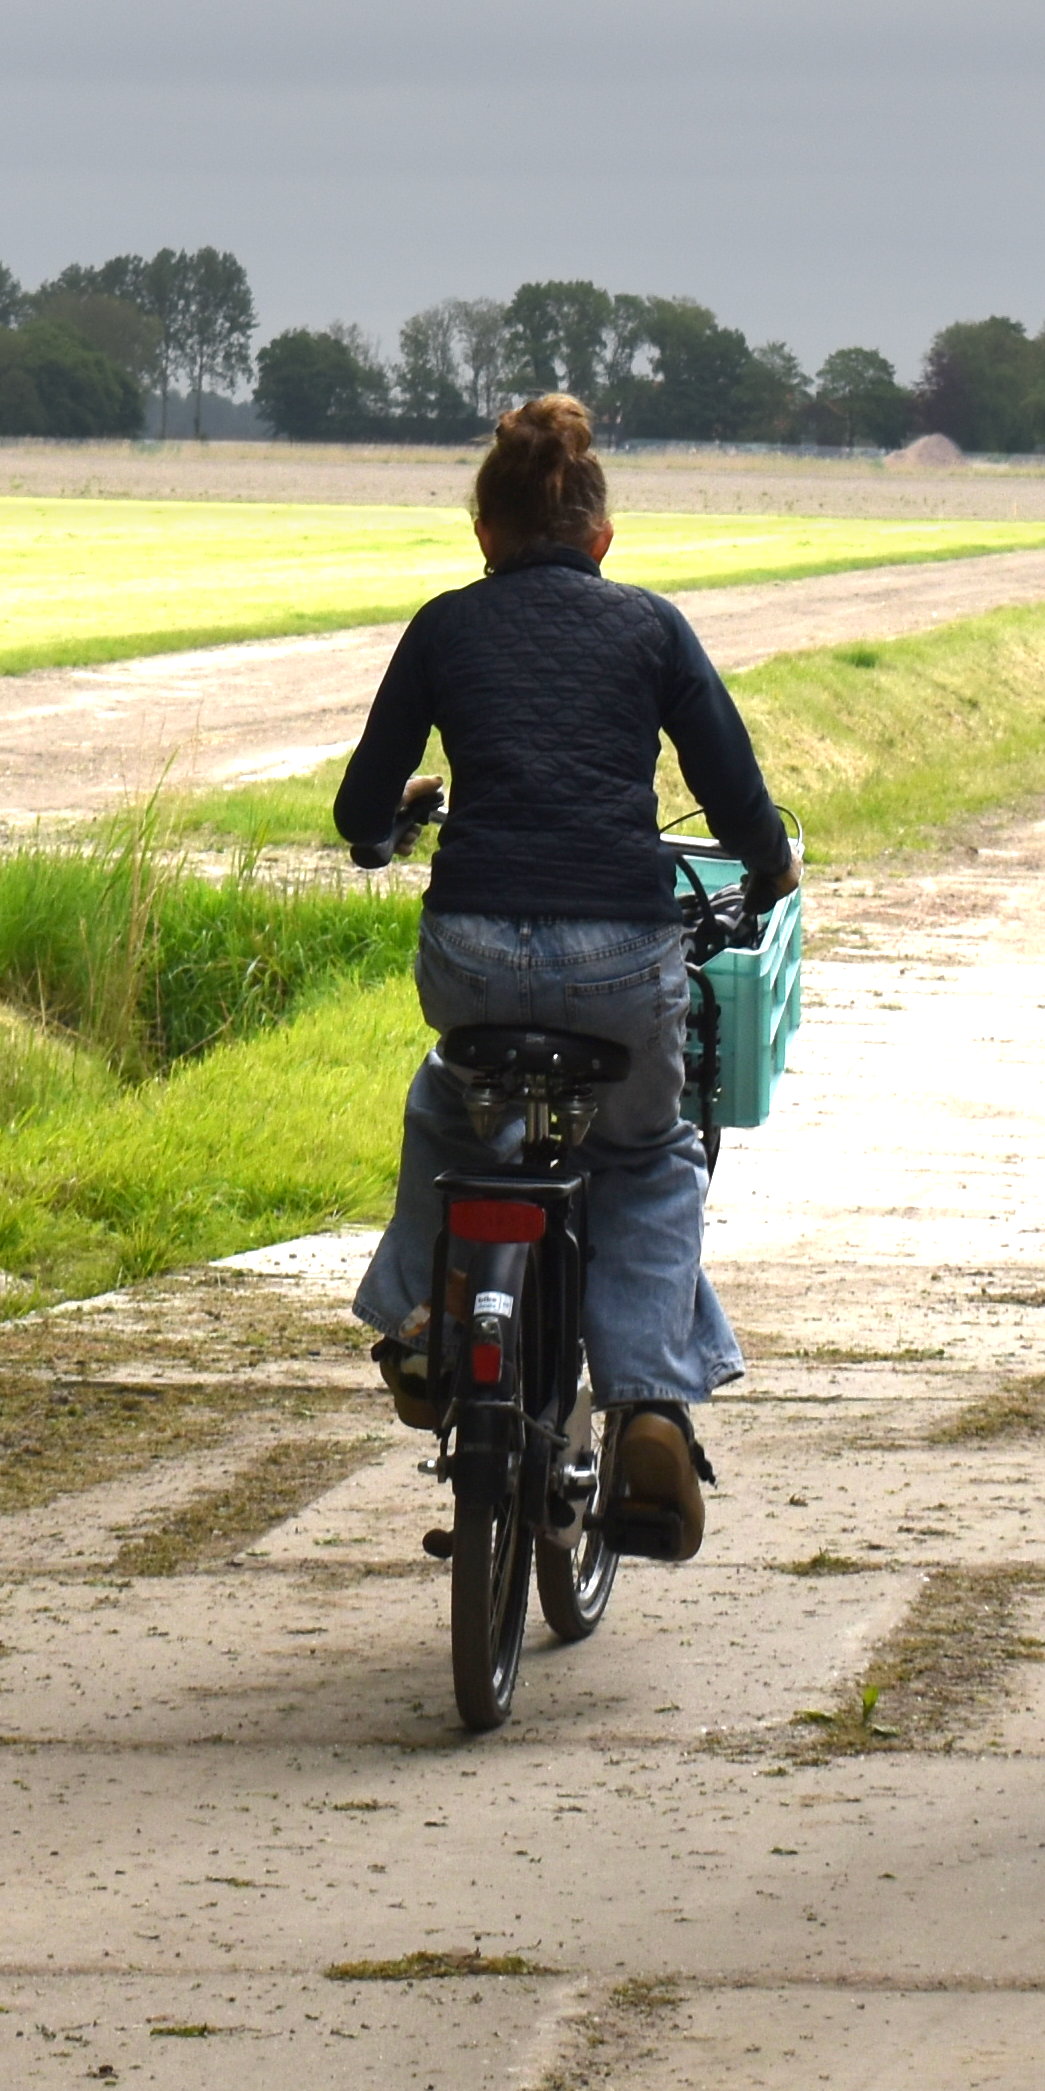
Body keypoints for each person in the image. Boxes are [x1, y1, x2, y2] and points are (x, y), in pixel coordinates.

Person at [335, 394, 795, 1565]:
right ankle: (646, 1402)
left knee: (450, 1101)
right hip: (619, 958)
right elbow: (738, 797)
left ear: (483, 532)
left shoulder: (444, 627)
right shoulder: (650, 628)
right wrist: (773, 870)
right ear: (601, 536)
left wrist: (402, 821)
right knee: (647, 1153)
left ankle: (437, 1323)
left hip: (475, 953)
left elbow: (359, 808)